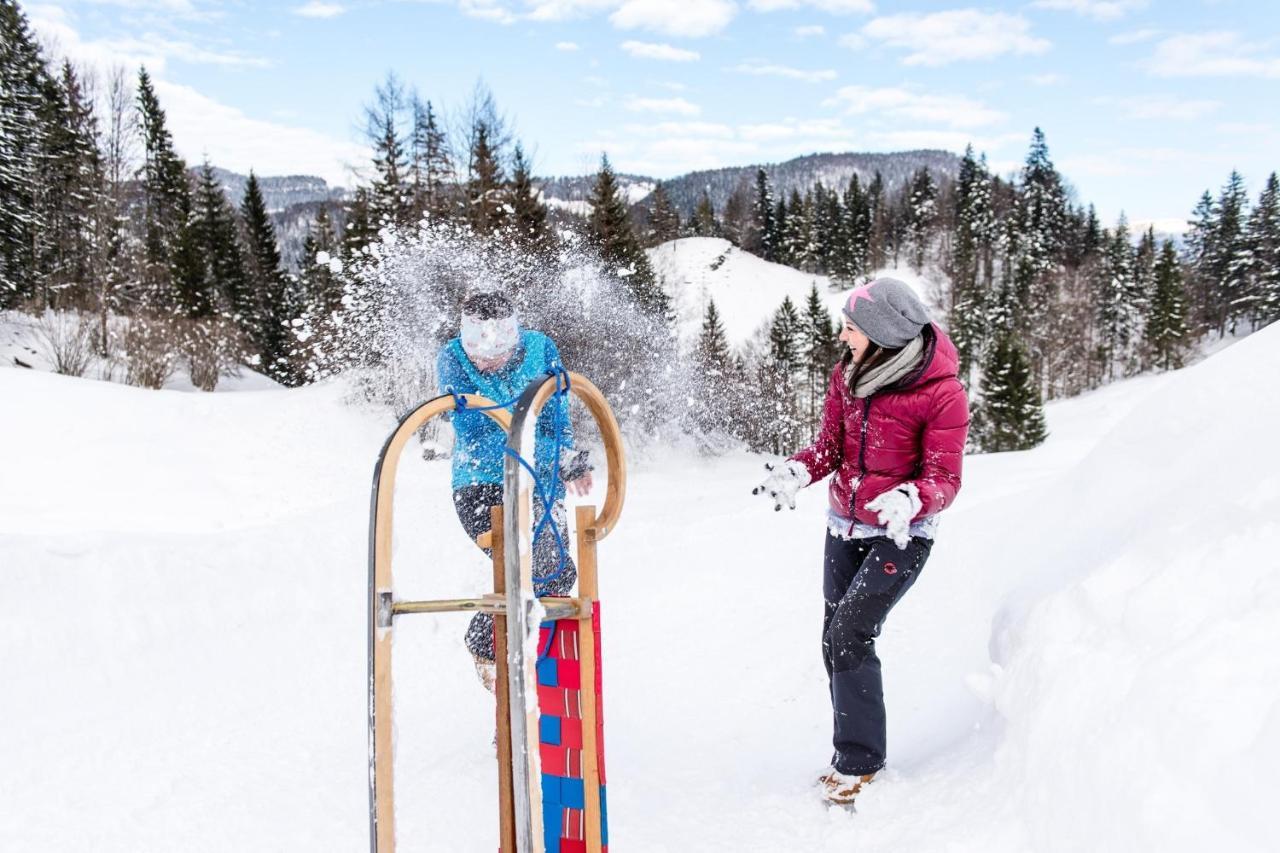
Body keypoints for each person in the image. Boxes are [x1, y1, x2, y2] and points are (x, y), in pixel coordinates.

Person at [753, 277, 969, 806]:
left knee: (849, 634)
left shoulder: (942, 393)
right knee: (833, 639)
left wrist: (914, 499)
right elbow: (830, 446)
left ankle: (859, 761)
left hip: (901, 532)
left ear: (881, 332)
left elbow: (946, 477)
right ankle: (852, 752)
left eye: (851, 327)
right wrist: (799, 472)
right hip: (843, 526)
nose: (843, 335)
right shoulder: (847, 375)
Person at [437, 290, 594, 691]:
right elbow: (481, 436)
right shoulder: (452, 360)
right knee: (533, 569)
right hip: (481, 484)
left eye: (498, 348)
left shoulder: (541, 349)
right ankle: (491, 651)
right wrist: (555, 456)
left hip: (536, 481)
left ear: (515, 335)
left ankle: (532, 693)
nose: (486, 360)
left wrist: (564, 456)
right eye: (476, 348)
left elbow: (556, 420)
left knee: (557, 577)